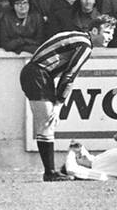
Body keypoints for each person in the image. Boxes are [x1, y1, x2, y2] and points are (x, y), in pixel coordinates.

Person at [19, 18, 103, 182]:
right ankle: (49, 172)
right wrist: (59, 105)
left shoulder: (79, 37)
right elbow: (70, 75)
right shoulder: (85, 45)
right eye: (107, 32)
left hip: (38, 73)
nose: (110, 36)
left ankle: (50, 171)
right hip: (38, 74)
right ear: (94, 31)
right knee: (47, 123)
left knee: (46, 124)